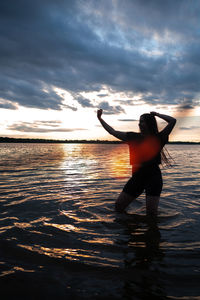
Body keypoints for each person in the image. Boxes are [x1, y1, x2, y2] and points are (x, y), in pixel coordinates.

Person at [97, 109, 176, 217]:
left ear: (149, 123)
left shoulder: (159, 138)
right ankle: (130, 227)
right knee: (118, 207)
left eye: (142, 121)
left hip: (153, 177)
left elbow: (172, 121)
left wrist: (157, 114)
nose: (140, 124)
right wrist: (100, 119)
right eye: (139, 122)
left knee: (151, 214)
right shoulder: (133, 137)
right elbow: (112, 131)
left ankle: (150, 230)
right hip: (137, 177)